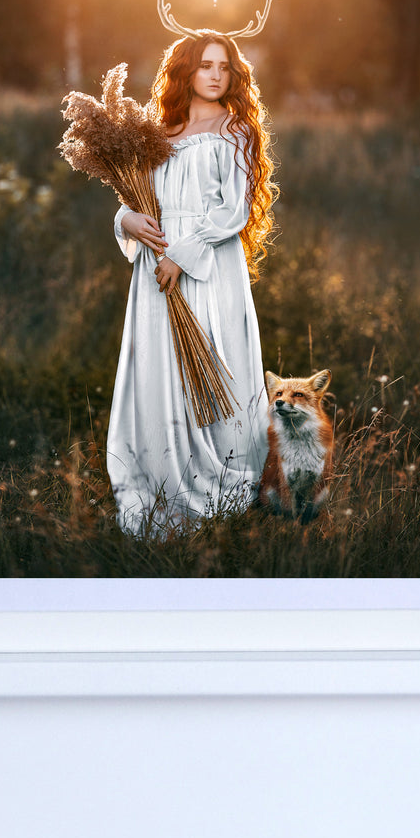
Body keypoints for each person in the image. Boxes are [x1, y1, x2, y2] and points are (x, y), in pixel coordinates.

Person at [106, 30, 278, 532]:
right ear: (186, 71)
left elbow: (234, 210)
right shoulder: (157, 133)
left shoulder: (236, 132)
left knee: (213, 357)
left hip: (205, 265)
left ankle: (222, 473)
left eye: (224, 66)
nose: (216, 75)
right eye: (205, 65)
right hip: (154, 268)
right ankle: (161, 470)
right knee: (160, 367)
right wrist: (125, 221)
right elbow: (136, 199)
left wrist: (181, 255)